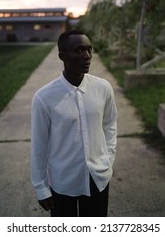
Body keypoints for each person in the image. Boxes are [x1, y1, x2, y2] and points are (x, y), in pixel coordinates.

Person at [31, 30, 117, 217]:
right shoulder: (44, 97)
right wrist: (41, 187)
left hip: (98, 178)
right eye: (79, 50)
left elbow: (110, 124)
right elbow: (39, 145)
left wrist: (108, 157)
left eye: (89, 50)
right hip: (62, 182)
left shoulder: (103, 88)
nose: (87, 56)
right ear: (62, 56)